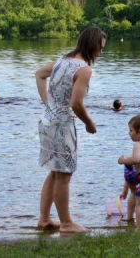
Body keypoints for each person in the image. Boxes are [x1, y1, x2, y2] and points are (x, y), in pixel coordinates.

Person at [35, 26, 106, 233]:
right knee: (64, 175)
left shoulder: (61, 61)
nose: (101, 53)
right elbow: (76, 103)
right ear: (92, 46)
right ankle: (66, 224)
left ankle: (44, 219)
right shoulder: (83, 69)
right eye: (100, 48)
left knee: (54, 172)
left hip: (47, 121)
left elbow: (39, 74)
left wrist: (48, 103)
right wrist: (89, 123)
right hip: (63, 126)